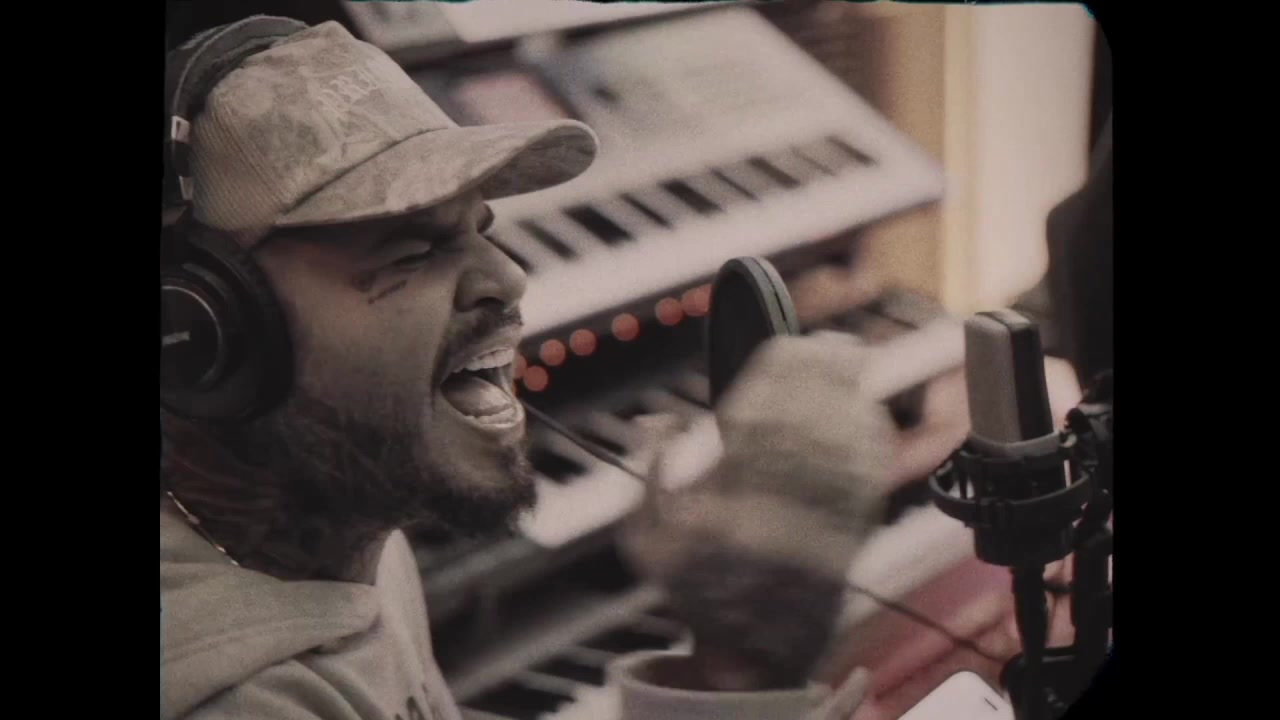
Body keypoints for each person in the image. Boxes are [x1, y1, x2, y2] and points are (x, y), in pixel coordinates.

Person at [160, 17, 892, 720]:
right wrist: (741, 668)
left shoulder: (342, 529)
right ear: (200, 333)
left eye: (480, 230)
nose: (508, 280)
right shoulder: (236, 702)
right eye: (411, 251)